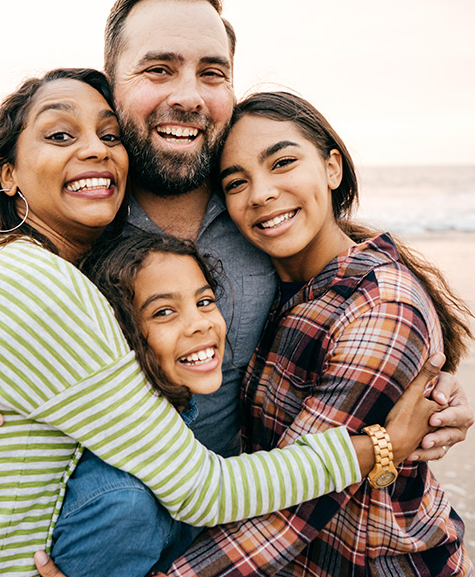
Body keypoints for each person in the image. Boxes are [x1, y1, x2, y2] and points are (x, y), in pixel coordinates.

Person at [0, 0, 472, 546]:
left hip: (245, 518)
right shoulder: (83, 203)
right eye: (159, 69)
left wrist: (435, 379)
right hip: (101, 529)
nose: (187, 96)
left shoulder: (255, 202)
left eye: (211, 73)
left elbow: (354, 285)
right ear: (112, 83)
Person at [165, 92, 474, 576]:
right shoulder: (261, 285)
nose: (261, 193)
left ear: (332, 168)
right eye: (236, 182)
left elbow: (296, 503)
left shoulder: (380, 306)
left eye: (283, 162)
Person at [43, 230, 448, 577]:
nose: (201, 322)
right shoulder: (120, 504)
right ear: (117, 337)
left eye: (204, 301)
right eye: (164, 312)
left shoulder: (175, 441)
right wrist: (384, 447)